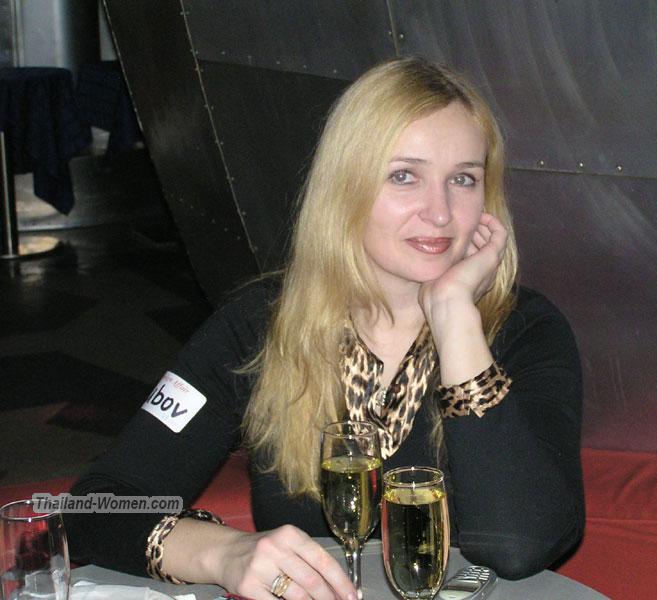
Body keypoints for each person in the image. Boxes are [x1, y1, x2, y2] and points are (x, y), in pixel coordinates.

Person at [64, 56, 584, 600]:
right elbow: (96, 506)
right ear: (345, 187)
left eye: (463, 179)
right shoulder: (261, 324)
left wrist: (455, 317)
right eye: (404, 176)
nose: (440, 212)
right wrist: (224, 553)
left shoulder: (524, 331)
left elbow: (522, 544)